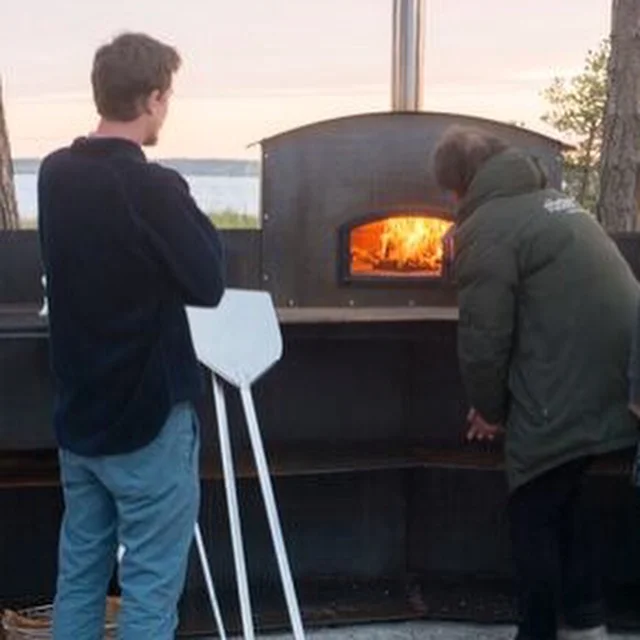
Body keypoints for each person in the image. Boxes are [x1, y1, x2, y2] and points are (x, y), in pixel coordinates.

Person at [38, 33, 225, 639]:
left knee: (80, 577)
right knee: (149, 586)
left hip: (80, 415)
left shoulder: (54, 174)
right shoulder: (153, 188)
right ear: (152, 98)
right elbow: (208, 281)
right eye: (167, 97)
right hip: (148, 421)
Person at [433, 126, 639, 640]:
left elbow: (484, 338)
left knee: (532, 506)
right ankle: (586, 622)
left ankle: (538, 631)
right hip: (621, 375)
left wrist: (489, 410)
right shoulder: (554, 205)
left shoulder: (490, 227)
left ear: (460, 184)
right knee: (564, 495)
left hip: (574, 380)